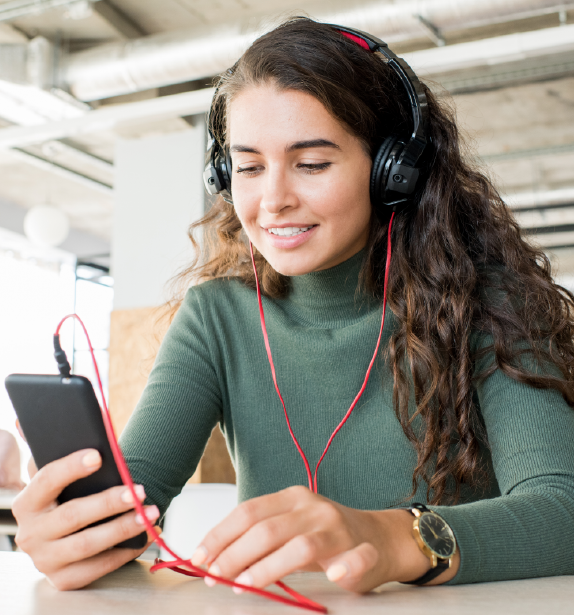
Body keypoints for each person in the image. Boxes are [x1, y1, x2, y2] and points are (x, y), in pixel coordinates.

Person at [11, 17, 574, 594]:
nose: (272, 201)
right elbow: (130, 508)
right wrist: (74, 532)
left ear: (393, 172)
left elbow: (563, 512)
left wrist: (391, 538)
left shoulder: (492, 303)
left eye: (312, 164)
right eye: (249, 167)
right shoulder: (216, 317)